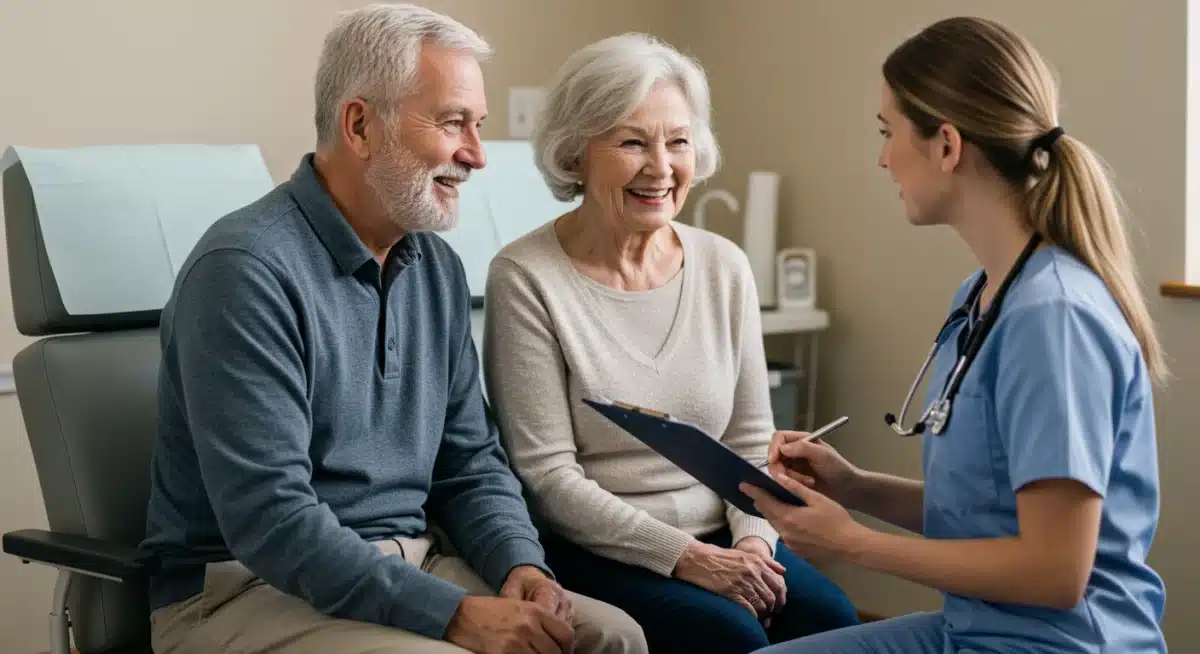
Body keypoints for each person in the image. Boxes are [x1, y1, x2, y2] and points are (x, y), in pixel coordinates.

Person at [139, 4, 648, 653]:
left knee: (613, 639)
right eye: (453, 122)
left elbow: (471, 464)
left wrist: (520, 564)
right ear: (359, 125)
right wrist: (455, 615)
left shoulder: (433, 266)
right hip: (246, 590)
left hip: (415, 563)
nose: (477, 154)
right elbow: (273, 521)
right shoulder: (244, 271)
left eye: (479, 125)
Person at [740, 15, 1168, 654]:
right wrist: (853, 487)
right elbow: (989, 515)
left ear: (947, 144)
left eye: (889, 133)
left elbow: (1056, 573)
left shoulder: (1053, 318)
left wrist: (852, 544)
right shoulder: (984, 296)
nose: (883, 157)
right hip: (978, 629)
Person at [481, 32, 860, 654]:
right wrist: (688, 558)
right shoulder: (525, 277)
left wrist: (753, 545)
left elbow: (748, 442)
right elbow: (547, 476)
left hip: (728, 533)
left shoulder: (723, 265)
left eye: (678, 141)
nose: (661, 167)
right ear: (576, 153)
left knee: (832, 621)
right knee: (726, 635)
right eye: (632, 142)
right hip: (596, 547)